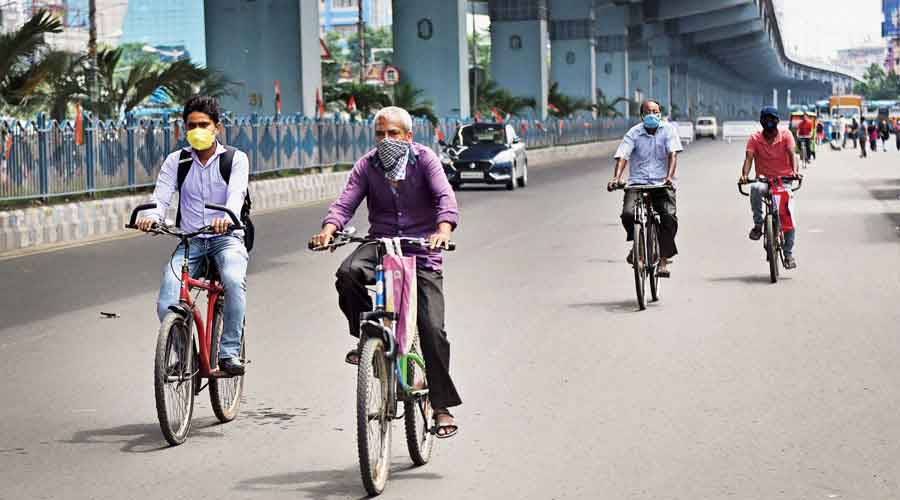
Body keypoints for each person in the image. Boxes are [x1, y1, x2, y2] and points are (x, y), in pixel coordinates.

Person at [309, 106, 462, 438]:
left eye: (393, 134)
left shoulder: (426, 161)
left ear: (408, 136)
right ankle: (367, 338)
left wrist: (443, 231)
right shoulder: (368, 165)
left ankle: (440, 406)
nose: (386, 140)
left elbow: (445, 199)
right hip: (381, 243)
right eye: (380, 134)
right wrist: (329, 229)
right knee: (348, 273)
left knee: (433, 328)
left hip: (422, 250)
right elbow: (345, 203)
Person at [136, 95, 250, 375]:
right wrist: (151, 217)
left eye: (204, 124)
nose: (197, 130)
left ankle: (229, 352)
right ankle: (183, 352)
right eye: (191, 125)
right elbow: (160, 199)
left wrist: (226, 218)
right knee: (167, 299)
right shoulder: (177, 161)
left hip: (227, 237)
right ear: (183, 128)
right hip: (191, 241)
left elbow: (236, 195)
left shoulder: (235, 159)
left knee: (234, 281)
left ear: (217, 128)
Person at [608, 99, 683, 277]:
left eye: (655, 111)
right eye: (648, 112)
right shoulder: (633, 133)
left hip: (661, 183)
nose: (652, 115)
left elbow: (672, 154)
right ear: (642, 116)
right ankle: (637, 246)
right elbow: (623, 156)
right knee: (628, 214)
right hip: (637, 183)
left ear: (660, 113)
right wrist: (617, 178)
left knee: (668, 217)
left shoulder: (668, 130)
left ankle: (663, 260)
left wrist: (669, 177)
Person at [739, 106, 801, 269]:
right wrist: (745, 175)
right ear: (761, 122)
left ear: (777, 121)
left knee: (787, 217)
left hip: (784, 181)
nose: (769, 122)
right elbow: (748, 159)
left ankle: (788, 254)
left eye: (772, 119)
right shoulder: (754, 138)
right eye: (765, 119)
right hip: (764, 181)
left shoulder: (786, 135)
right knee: (755, 188)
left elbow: (792, 154)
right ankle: (758, 225)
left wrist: (794, 172)